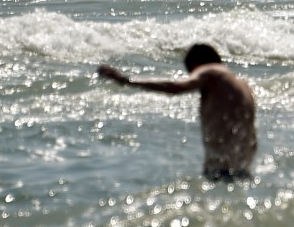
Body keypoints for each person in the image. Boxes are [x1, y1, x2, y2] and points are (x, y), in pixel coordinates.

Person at [98, 44, 257, 181]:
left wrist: (126, 80)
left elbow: (176, 87)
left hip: (219, 173)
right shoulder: (242, 86)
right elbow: (252, 142)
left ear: (196, 65)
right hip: (242, 171)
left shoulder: (210, 70)